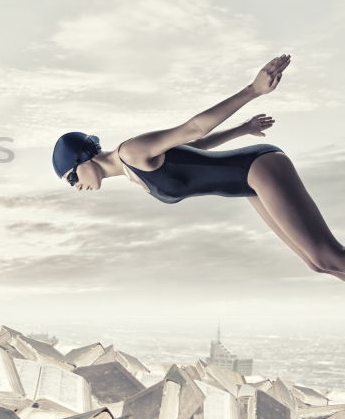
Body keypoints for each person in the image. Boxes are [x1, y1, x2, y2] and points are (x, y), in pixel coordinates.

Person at [52, 54, 345, 279]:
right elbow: (196, 150)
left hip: (258, 168)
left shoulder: (131, 152)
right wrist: (244, 128)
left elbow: (194, 129)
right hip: (247, 184)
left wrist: (252, 90)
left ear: (83, 159)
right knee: (316, 264)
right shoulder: (134, 170)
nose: (77, 186)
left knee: (327, 256)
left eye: (71, 178)